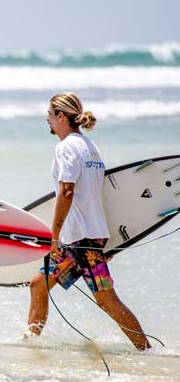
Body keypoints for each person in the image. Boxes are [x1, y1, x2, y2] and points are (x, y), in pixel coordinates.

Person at [24, 92, 151, 350]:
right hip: (85, 238)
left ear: (61, 116)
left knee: (106, 298)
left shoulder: (66, 147)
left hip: (79, 239)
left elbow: (67, 191)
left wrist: (54, 235)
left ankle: (147, 350)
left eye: (50, 113)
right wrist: (105, 239)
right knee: (39, 284)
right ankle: (30, 345)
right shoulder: (90, 147)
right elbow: (100, 193)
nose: (47, 118)